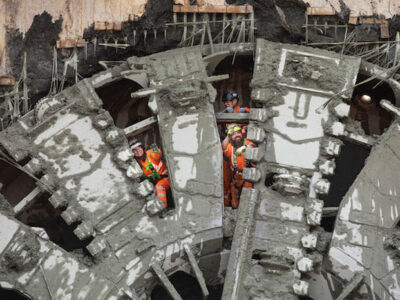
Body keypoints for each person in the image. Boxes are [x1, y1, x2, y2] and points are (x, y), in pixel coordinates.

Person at [222, 124, 256, 209]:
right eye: (233, 134)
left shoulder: (247, 142)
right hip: (236, 180)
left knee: (247, 204)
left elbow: (252, 145)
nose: (237, 135)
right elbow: (223, 146)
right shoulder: (230, 148)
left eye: (238, 132)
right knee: (235, 205)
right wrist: (228, 135)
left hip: (248, 179)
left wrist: (244, 148)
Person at [130, 139, 170, 207]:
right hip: (156, 181)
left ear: (142, 147)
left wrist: (156, 150)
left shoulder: (149, 153)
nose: (137, 151)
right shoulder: (138, 163)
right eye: (134, 150)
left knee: (159, 187)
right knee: (150, 193)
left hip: (167, 178)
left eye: (138, 148)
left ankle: (163, 207)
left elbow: (157, 153)